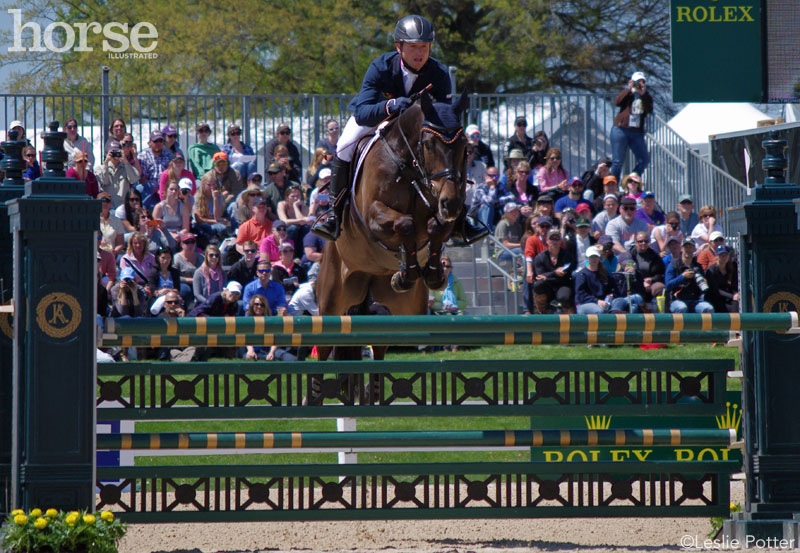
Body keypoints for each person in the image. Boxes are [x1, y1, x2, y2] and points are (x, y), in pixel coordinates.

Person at [311, 15, 485, 245]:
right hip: (378, 118)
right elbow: (362, 112)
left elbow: (444, 117)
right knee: (344, 144)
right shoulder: (380, 67)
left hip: (417, 130)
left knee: (451, 144)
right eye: (413, 47)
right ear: (399, 47)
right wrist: (390, 106)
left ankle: (459, 217)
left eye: (424, 47)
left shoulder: (439, 74)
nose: (420, 53)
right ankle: (334, 213)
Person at [610, 71, 653, 181]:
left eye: (643, 82)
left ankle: (631, 181)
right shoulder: (627, 94)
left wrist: (643, 95)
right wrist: (629, 89)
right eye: (637, 82)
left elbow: (649, 110)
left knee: (644, 160)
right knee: (617, 161)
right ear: (632, 82)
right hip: (621, 129)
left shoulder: (646, 96)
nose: (640, 84)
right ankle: (613, 185)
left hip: (636, 132)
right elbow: (617, 102)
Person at [574, 247, 639, 314]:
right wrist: (597, 301)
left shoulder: (604, 273)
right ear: (587, 258)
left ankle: (615, 314)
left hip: (604, 302)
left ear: (599, 258)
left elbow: (611, 289)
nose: (594, 259)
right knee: (600, 311)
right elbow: (581, 295)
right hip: (585, 303)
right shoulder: (582, 275)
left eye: (596, 256)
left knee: (624, 302)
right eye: (591, 257)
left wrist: (610, 295)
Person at [664, 238, 714, 314]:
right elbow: (668, 285)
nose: (688, 249)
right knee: (682, 308)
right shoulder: (673, 265)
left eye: (690, 247)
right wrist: (683, 277)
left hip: (695, 300)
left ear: (694, 249)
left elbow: (703, 284)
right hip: (677, 300)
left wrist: (704, 280)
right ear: (682, 248)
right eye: (686, 247)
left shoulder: (697, 266)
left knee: (708, 308)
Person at [243, 294, 297, 362]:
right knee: (248, 357)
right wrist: (250, 351)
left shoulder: (270, 320)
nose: (259, 307)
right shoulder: (247, 320)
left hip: (270, 349)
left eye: (262, 305)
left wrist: (271, 352)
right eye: (256, 304)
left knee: (292, 359)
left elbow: (275, 339)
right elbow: (246, 338)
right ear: (252, 305)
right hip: (255, 350)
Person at [532, 227, 575, 314]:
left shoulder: (567, 255)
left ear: (560, 241)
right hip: (547, 286)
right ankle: (542, 311)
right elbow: (540, 277)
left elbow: (566, 275)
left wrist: (547, 276)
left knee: (565, 296)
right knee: (538, 284)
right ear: (547, 240)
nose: (554, 241)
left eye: (557, 239)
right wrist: (555, 273)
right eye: (552, 238)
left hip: (562, 284)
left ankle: (568, 317)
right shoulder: (540, 257)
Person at [96, 139, 140, 208]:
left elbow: (134, 179)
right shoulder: (100, 168)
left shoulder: (127, 167)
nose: (115, 154)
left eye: (117, 151)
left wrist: (125, 162)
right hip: (108, 207)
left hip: (123, 207)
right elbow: (104, 181)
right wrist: (106, 163)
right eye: (112, 152)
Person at [137, 130, 173, 210]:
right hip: (149, 188)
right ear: (150, 142)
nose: (158, 143)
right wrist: (156, 189)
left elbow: (172, 174)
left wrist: (163, 189)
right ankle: (144, 210)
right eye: (155, 141)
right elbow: (142, 178)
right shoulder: (143, 156)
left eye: (160, 141)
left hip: (165, 188)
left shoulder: (169, 155)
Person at [628, 230, 666, 305]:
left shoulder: (654, 255)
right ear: (635, 242)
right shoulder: (629, 255)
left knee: (660, 287)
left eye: (646, 241)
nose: (643, 243)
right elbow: (628, 270)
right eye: (640, 241)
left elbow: (661, 273)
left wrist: (651, 279)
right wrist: (641, 282)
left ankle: (660, 312)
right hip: (635, 283)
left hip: (650, 283)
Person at [192, 172, 229, 246]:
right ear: (203, 185)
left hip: (214, 222)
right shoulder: (197, 196)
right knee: (208, 229)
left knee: (223, 228)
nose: (212, 187)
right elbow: (198, 219)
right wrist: (215, 221)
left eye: (213, 184)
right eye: (209, 185)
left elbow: (217, 217)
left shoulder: (218, 196)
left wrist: (215, 199)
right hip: (201, 224)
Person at [705, 245, 739, 313]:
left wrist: (736, 294)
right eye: (721, 255)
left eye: (725, 255)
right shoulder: (711, 270)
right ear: (717, 256)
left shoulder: (731, 269)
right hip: (715, 298)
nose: (724, 257)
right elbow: (715, 290)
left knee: (736, 305)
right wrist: (732, 296)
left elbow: (734, 285)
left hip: (728, 298)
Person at [277, 184, 311, 252]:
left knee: (306, 228)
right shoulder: (282, 204)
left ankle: (303, 252)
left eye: (297, 196)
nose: (295, 198)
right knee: (293, 228)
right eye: (293, 196)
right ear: (287, 197)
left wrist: (295, 206)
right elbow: (284, 222)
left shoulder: (304, 207)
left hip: (300, 231)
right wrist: (300, 220)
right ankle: (291, 253)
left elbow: (302, 223)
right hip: (286, 230)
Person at [470, 166, 502, 231]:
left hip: (494, 215)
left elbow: (511, 198)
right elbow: (489, 202)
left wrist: (498, 200)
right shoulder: (480, 188)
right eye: (491, 175)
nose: (494, 178)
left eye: (496, 176)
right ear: (485, 176)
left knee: (510, 206)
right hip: (476, 217)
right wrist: (492, 188)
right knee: (487, 206)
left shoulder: (500, 186)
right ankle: (486, 232)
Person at [97, 192, 125, 257]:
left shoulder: (117, 221)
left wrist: (114, 252)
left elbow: (120, 243)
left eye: (107, 201)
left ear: (110, 204)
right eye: (102, 201)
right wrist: (99, 239)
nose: (105, 203)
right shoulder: (92, 219)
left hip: (111, 254)